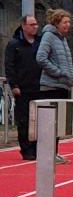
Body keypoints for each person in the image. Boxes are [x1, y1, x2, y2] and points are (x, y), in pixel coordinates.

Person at [36, 9, 73, 165]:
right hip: (51, 86)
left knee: (59, 122)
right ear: (57, 23)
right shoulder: (49, 36)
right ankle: (47, 153)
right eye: (65, 22)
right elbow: (41, 58)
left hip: (63, 85)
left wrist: (69, 78)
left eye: (69, 22)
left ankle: (54, 152)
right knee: (50, 122)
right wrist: (58, 73)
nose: (68, 25)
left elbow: (66, 61)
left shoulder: (62, 39)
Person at [5, 14, 42, 160]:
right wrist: (14, 85)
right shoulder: (14, 44)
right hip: (22, 88)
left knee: (39, 119)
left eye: (36, 24)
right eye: (32, 25)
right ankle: (26, 149)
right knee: (24, 120)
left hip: (39, 87)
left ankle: (37, 148)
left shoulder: (40, 42)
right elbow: (9, 66)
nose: (35, 27)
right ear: (23, 26)